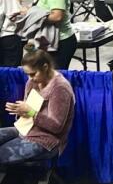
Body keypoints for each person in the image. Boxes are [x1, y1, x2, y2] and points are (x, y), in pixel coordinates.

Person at [0, 41, 75, 169]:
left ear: (45, 67)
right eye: (28, 74)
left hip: (47, 140)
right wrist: (20, 111)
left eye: (33, 74)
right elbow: (27, 113)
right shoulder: (32, 82)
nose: (30, 78)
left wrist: (30, 112)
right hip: (25, 130)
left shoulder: (60, 88)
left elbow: (57, 127)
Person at [26, 0, 76, 70]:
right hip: (47, 41)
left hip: (61, 42)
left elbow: (57, 16)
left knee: (55, 77)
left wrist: (33, 17)